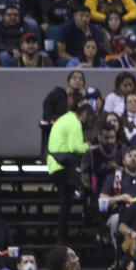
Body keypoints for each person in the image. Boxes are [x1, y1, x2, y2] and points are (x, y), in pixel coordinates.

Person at [47, 102, 93, 243]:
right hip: (63, 167)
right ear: (84, 114)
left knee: (66, 202)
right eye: (88, 118)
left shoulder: (65, 118)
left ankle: (63, 235)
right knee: (66, 203)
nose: (87, 122)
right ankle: (62, 236)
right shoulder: (75, 123)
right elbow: (75, 147)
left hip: (54, 164)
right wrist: (89, 145)